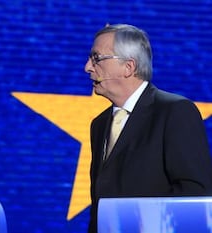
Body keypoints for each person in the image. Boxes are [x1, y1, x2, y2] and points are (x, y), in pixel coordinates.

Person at [85, 24, 212, 233]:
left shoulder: (175, 112)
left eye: (97, 58)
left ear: (129, 67)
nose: (87, 67)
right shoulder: (99, 125)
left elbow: (193, 192)